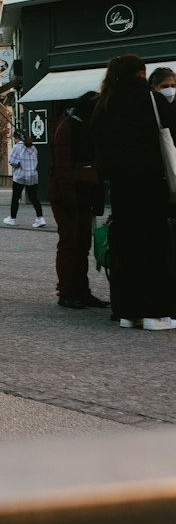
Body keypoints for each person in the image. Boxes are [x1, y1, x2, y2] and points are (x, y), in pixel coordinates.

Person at [93, 53, 176, 330]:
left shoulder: (105, 103)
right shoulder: (151, 100)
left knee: (126, 246)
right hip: (151, 183)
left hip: (121, 186)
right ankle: (155, 313)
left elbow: (97, 147)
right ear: (142, 74)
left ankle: (128, 312)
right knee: (154, 245)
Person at [50, 92, 107, 309]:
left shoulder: (78, 125)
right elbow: (63, 166)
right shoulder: (69, 127)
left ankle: (80, 290)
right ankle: (67, 291)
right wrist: (69, 197)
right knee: (71, 243)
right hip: (70, 195)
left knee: (81, 243)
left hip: (80, 194)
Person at [4, 130, 45, 227]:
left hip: (20, 176)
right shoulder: (33, 148)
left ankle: (12, 219)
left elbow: (12, 162)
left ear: (17, 138)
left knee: (15, 197)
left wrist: (18, 165)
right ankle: (40, 218)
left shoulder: (17, 147)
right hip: (33, 176)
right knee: (34, 197)